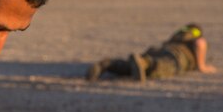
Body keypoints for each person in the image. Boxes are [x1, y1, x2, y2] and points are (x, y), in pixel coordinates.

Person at [86, 23, 215, 82]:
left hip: (157, 50)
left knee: (130, 67)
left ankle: (109, 64)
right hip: (177, 56)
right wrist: (201, 66)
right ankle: (144, 62)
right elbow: (200, 43)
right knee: (160, 67)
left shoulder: (176, 36)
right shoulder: (194, 38)